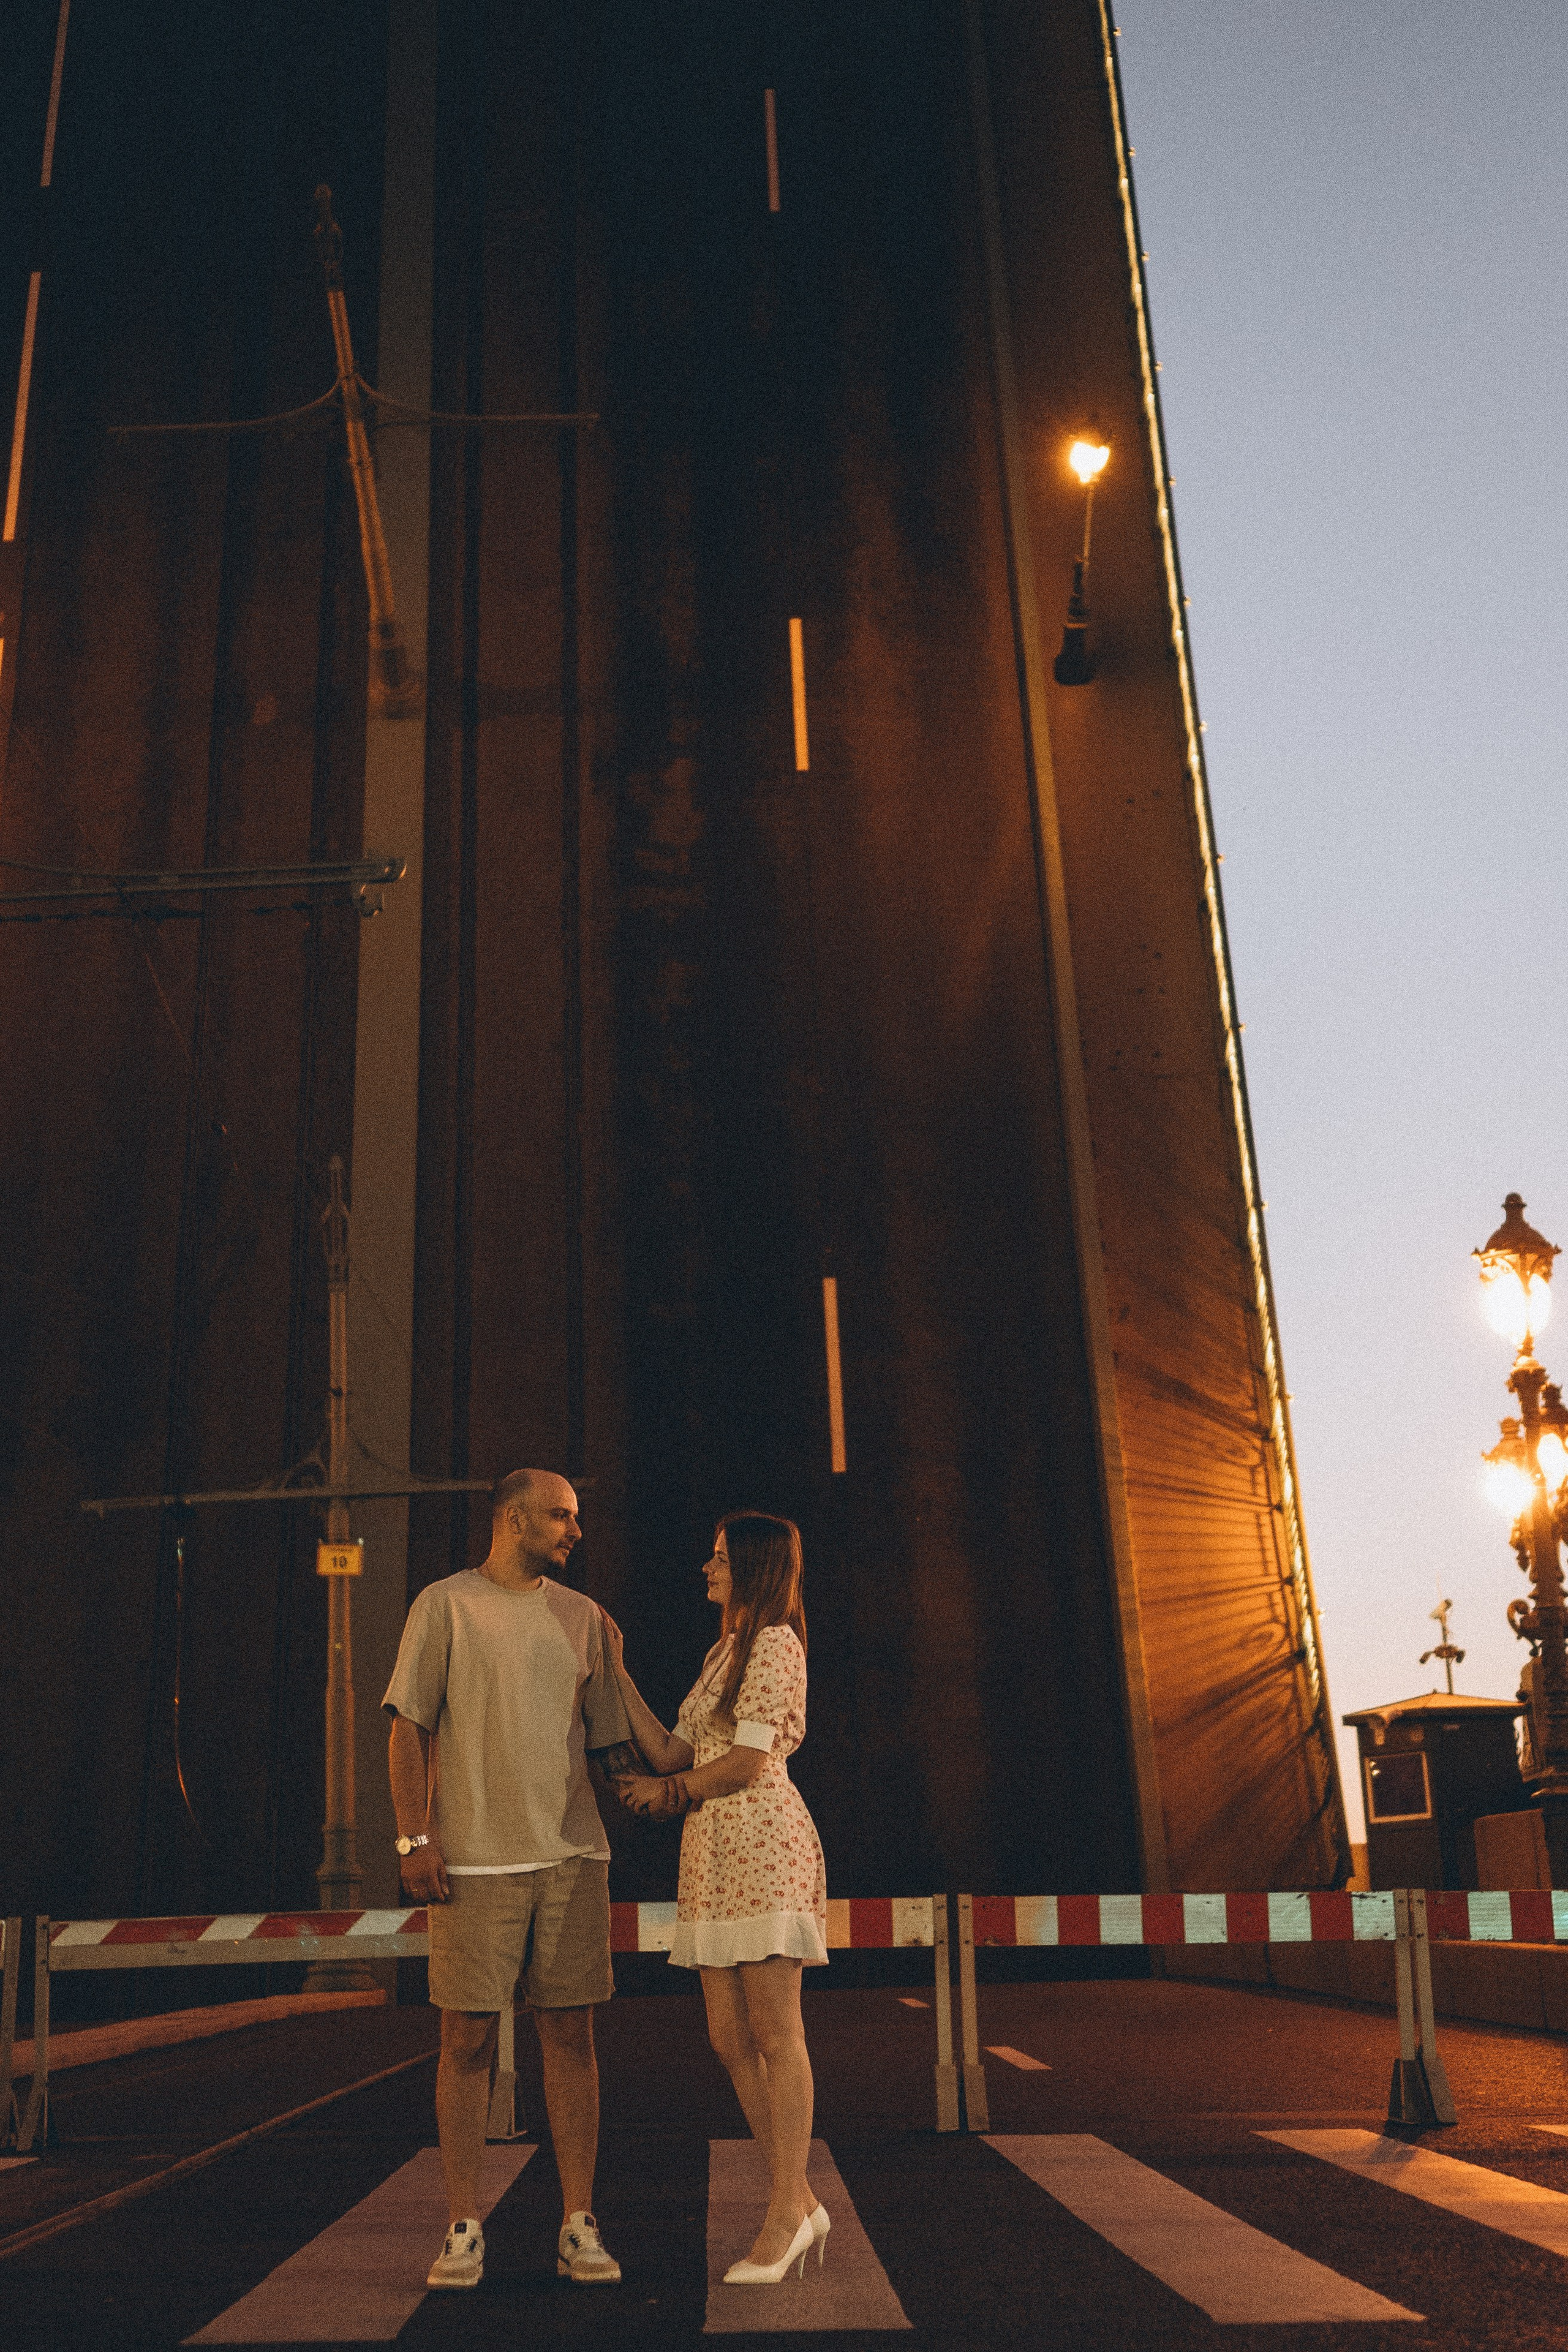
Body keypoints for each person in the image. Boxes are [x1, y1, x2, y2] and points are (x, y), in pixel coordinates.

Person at [383, 1468, 643, 2293]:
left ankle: (578, 2222)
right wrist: (414, 1838)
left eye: (576, 1517)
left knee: (570, 2037)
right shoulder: (444, 1605)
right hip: (473, 1863)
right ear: (514, 1519)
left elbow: (612, 1741)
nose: (575, 1531)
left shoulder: (583, 1617)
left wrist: (695, 1780)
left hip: (572, 1858)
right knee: (465, 2040)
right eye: (561, 1516)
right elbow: (407, 1728)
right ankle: (464, 2225)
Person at [608, 1511, 829, 2285]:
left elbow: (743, 1763)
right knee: (729, 2038)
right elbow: (676, 1749)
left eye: (720, 1558)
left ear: (754, 1569)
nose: (707, 1568)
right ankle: (799, 2197)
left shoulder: (775, 1644)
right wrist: (615, 1670)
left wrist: (666, 1794)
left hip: (762, 1840)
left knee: (776, 2031)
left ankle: (785, 2213)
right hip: (711, 1853)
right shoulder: (723, 1651)